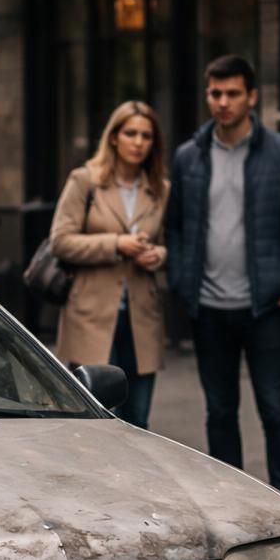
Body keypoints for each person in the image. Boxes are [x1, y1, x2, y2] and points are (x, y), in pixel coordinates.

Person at [165, 55, 280, 501]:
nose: (223, 102)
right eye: (215, 93)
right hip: (209, 309)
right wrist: (182, 280)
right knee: (219, 411)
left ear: (252, 97)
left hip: (265, 308)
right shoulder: (188, 157)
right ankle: (231, 504)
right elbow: (174, 226)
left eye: (232, 93)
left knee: (275, 409)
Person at [49, 100, 169, 429]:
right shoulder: (85, 181)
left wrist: (157, 255)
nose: (138, 142)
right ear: (114, 137)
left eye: (146, 136)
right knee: (99, 421)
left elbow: (171, 244)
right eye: (130, 133)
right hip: (91, 316)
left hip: (142, 317)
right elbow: (60, 240)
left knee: (139, 420)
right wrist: (116, 244)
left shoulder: (160, 189)